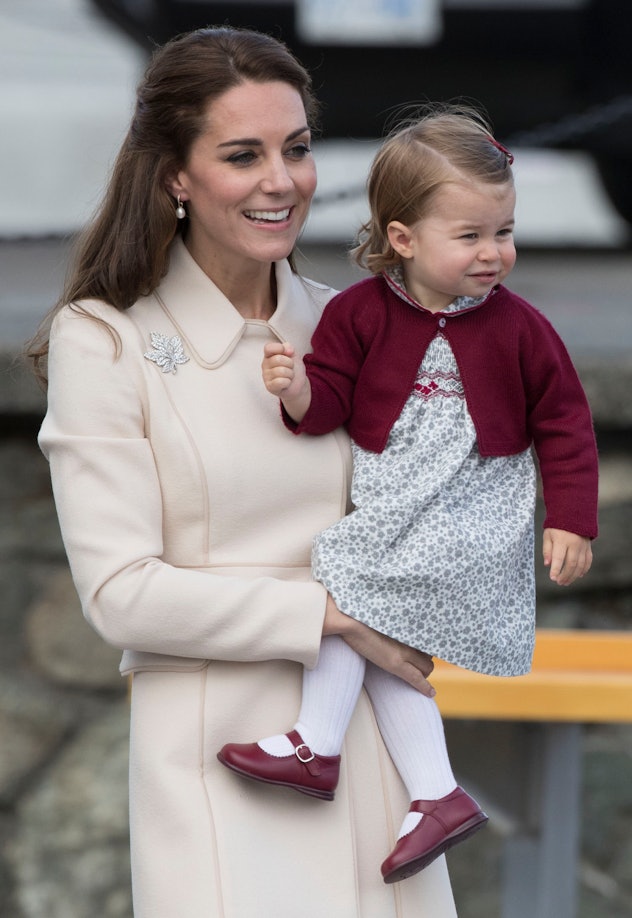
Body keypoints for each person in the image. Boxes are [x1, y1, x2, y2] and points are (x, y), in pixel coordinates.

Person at [29, 26, 459, 918]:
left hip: (373, 757)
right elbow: (121, 593)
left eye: (296, 149)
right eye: (242, 154)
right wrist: (337, 617)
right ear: (173, 175)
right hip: (221, 766)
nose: (282, 180)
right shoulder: (104, 340)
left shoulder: (359, 322)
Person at [217, 104, 599, 884]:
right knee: (375, 629)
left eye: (505, 231)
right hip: (398, 509)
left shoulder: (520, 328)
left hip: (470, 514)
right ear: (402, 238)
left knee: (344, 582)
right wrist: (294, 395)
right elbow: (329, 406)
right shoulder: (360, 314)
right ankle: (434, 792)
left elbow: (565, 421)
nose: (496, 253)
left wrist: (572, 520)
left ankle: (316, 747)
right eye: (471, 236)